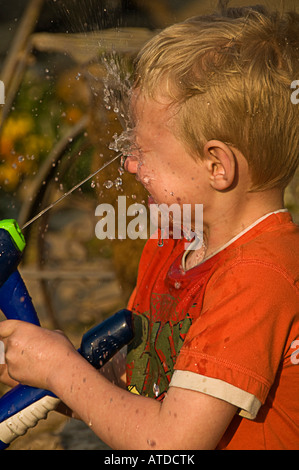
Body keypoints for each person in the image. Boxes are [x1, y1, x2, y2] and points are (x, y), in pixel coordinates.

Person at [0, 4, 299, 450]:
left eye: (144, 151)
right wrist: (67, 374)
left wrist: (61, 369)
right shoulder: (174, 241)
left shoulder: (257, 279)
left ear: (217, 165)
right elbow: (142, 390)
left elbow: (170, 444)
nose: (130, 163)